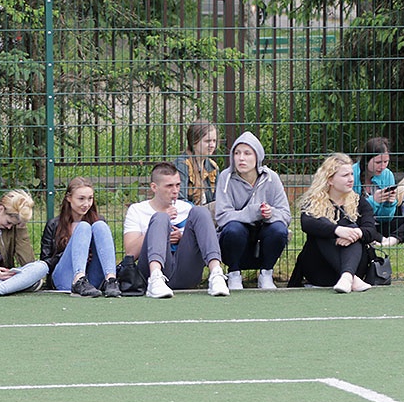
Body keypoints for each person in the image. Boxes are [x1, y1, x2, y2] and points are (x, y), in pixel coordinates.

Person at [123, 162, 230, 298]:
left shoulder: (186, 208)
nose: (175, 191)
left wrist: (182, 236)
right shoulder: (138, 210)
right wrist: (158, 233)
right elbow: (131, 253)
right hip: (151, 271)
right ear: (154, 187)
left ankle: (216, 273)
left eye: (178, 185)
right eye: (169, 186)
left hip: (185, 270)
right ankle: (155, 278)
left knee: (201, 212)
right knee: (160, 218)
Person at [288, 153, 377, 293]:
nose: (351, 179)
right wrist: (338, 231)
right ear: (330, 179)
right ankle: (351, 279)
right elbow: (307, 223)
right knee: (323, 227)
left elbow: (371, 231)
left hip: (355, 265)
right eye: (345, 175)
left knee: (353, 228)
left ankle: (347, 277)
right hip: (320, 269)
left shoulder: (359, 202)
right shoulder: (313, 202)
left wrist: (355, 233)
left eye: (352, 174)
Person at [215, 131, 291, 290]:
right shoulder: (225, 177)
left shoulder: (272, 178)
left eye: (247, 153)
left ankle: (266, 274)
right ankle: (234, 274)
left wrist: (271, 214)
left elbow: (285, 214)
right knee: (233, 229)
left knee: (279, 229)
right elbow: (222, 216)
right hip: (237, 235)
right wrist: (252, 212)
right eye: (237, 153)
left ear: (257, 156)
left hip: (263, 231)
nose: (241, 158)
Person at [40, 177, 122, 297]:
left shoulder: (98, 220)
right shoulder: (54, 224)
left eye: (90, 199)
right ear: (69, 198)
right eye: (81, 199)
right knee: (83, 227)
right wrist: (74, 251)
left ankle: (111, 281)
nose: (86, 204)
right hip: (65, 278)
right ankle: (78, 279)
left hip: (92, 279)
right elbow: (45, 262)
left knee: (100, 225)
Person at [353, 136, 404, 245]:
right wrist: (373, 201)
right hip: (360, 223)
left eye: (386, 162)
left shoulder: (387, 174)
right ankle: (394, 238)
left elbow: (387, 217)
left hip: (382, 224)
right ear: (366, 159)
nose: (383, 166)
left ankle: (392, 240)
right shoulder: (352, 173)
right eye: (378, 162)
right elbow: (350, 211)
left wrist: (389, 203)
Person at [174, 119, 219, 211]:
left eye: (214, 141)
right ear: (194, 143)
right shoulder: (182, 164)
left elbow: (217, 198)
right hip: (187, 214)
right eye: (208, 141)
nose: (212, 145)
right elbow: (179, 200)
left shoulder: (213, 166)